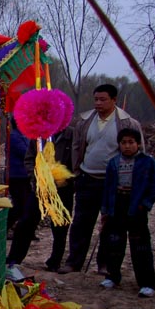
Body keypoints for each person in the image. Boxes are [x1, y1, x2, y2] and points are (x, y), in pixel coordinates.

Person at [59, 84, 142, 274]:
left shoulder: (127, 123)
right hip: (87, 178)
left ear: (114, 100)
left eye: (103, 99)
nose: (98, 103)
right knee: (81, 222)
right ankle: (74, 262)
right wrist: (76, 172)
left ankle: (105, 264)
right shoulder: (85, 121)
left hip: (113, 183)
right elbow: (77, 147)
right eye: (96, 99)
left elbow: (138, 152)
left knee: (111, 224)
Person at [98, 128, 155, 297]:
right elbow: (107, 188)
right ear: (119, 144)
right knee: (114, 244)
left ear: (138, 144)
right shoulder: (113, 163)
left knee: (140, 246)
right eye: (123, 142)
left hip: (136, 207)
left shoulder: (147, 162)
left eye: (131, 142)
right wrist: (105, 210)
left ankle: (147, 283)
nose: (127, 146)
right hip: (117, 206)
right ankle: (112, 276)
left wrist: (145, 204)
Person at [5, 125, 74, 276]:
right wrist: (35, 176)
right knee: (26, 222)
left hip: (63, 189)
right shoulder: (39, 134)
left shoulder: (72, 134)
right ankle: (14, 258)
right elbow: (29, 158)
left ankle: (55, 261)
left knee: (60, 226)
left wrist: (68, 178)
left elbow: (78, 157)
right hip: (39, 187)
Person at [7, 118, 30, 236]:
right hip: (17, 176)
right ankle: (7, 226)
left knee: (25, 203)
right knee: (19, 204)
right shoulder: (14, 137)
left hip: (24, 175)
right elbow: (25, 152)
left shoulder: (23, 136)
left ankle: (25, 230)